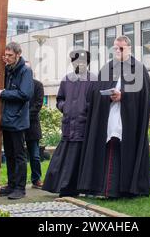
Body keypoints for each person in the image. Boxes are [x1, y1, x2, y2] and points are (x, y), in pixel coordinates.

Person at [77, 35, 150, 198]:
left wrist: (124, 96)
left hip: (128, 120)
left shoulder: (138, 69)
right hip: (108, 117)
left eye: (121, 48)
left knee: (123, 151)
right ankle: (103, 188)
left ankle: (124, 189)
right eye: (115, 48)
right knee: (106, 149)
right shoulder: (107, 68)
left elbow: (143, 96)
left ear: (129, 49)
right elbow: (94, 94)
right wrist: (106, 95)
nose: (118, 51)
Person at [42, 49, 96, 197]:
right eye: (75, 60)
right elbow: (60, 99)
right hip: (68, 126)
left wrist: (84, 108)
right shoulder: (67, 79)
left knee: (80, 159)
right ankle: (63, 187)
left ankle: (81, 188)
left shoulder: (94, 79)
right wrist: (65, 108)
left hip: (84, 127)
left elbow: (98, 103)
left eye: (82, 61)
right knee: (63, 160)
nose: (78, 63)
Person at [0, 42, 33, 200]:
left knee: (19, 155)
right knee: (8, 155)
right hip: (7, 120)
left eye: (10, 55)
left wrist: (3, 93)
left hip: (17, 120)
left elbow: (25, 94)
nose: (7, 58)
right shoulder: (8, 70)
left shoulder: (25, 71)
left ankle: (20, 188)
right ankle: (11, 184)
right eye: (6, 55)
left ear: (18, 54)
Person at [24, 62, 44, 189]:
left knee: (35, 155)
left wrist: (24, 116)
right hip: (17, 125)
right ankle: (16, 181)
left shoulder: (38, 85)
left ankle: (36, 179)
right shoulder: (16, 84)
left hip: (32, 125)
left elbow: (38, 104)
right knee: (17, 156)